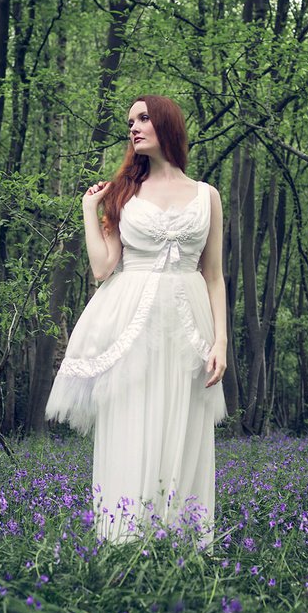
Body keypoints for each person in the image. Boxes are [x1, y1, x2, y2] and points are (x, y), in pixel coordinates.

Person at [46, 95, 227, 543]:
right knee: (130, 421)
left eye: (143, 118)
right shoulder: (123, 192)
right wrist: (90, 212)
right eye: (130, 121)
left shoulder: (208, 196)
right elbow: (103, 269)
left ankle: (182, 540)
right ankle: (124, 539)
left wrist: (221, 342)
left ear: (167, 123)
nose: (134, 127)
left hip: (189, 324)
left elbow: (215, 276)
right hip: (132, 321)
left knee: (183, 427)